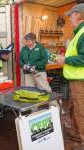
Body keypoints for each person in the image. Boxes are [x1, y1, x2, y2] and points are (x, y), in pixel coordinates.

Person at [56, 3, 84, 150]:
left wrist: (64, 60)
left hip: (81, 81)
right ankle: (75, 135)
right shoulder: (78, 33)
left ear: (78, 15)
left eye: (71, 15)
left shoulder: (83, 33)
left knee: (81, 112)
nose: (69, 18)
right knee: (73, 109)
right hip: (76, 80)